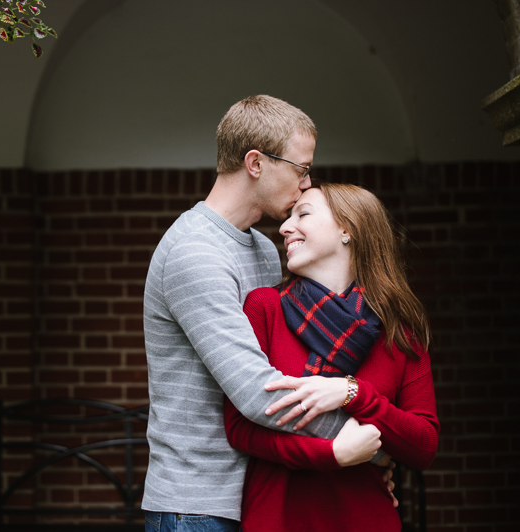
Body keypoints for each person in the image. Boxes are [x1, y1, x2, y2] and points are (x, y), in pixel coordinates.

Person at [142, 96, 386, 532]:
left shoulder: (261, 248)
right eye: (300, 168)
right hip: (196, 505)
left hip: (261, 494)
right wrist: (367, 443)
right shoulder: (194, 252)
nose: (308, 184)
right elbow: (260, 392)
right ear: (256, 162)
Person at [224, 183, 440, 532]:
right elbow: (239, 429)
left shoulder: (398, 330)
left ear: (347, 229)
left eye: (303, 214)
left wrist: (352, 393)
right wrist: (335, 455)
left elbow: (424, 444)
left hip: (365, 517)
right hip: (278, 518)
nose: (284, 227)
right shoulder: (265, 307)